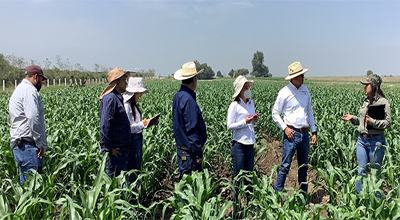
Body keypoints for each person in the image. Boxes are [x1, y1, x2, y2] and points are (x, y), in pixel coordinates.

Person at [272, 61, 317, 195]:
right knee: (285, 166)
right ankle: (277, 195)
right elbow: (274, 113)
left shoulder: (305, 91)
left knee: (303, 168)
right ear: (293, 78)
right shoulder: (284, 92)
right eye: (301, 76)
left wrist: (314, 131)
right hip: (291, 134)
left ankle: (303, 196)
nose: (303, 78)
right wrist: (285, 128)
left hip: (304, 134)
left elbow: (309, 111)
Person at [342, 74, 390, 199]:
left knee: (375, 174)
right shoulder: (365, 101)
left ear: (374, 86)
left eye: (366, 85)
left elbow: (388, 123)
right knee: (361, 172)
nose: (364, 87)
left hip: (376, 142)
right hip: (362, 140)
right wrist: (353, 119)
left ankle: (377, 203)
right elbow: (363, 120)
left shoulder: (383, 102)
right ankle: (359, 202)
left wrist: (372, 122)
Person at [9, 65, 48, 185]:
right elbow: (32, 117)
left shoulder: (20, 89)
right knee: (32, 187)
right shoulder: (29, 90)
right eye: (41, 80)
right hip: (28, 146)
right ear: (36, 77)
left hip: (22, 146)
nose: (41, 83)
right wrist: (39, 142)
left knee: (26, 185)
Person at [227, 75, 258, 216]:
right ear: (240, 90)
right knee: (238, 178)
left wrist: (254, 120)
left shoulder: (251, 103)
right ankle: (236, 208)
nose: (248, 89)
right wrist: (244, 122)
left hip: (250, 143)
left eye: (248, 87)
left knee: (249, 177)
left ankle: (249, 206)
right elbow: (229, 126)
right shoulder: (234, 106)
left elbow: (253, 123)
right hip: (239, 145)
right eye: (245, 87)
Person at [172, 61, 207, 180]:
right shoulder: (188, 100)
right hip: (190, 152)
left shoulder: (178, 96)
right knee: (190, 187)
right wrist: (198, 153)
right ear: (194, 79)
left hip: (182, 149)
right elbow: (191, 129)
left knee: (184, 185)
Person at [123, 77, 158, 184]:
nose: (140, 95)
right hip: (131, 142)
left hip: (136, 140)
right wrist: (142, 124)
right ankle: (130, 198)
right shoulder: (127, 106)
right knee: (131, 173)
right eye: (139, 93)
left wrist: (149, 123)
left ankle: (132, 197)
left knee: (135, 171)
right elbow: (127, 129)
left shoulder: (133, 105)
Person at [99, 67, 131, 178]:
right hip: (115, 153)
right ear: (116, 82)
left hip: (121, 151)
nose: (126, 83)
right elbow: (105, 125)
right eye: (123, 80)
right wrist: (108, 149)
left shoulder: (117, 97)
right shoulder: (111, 98)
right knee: (114, 185)